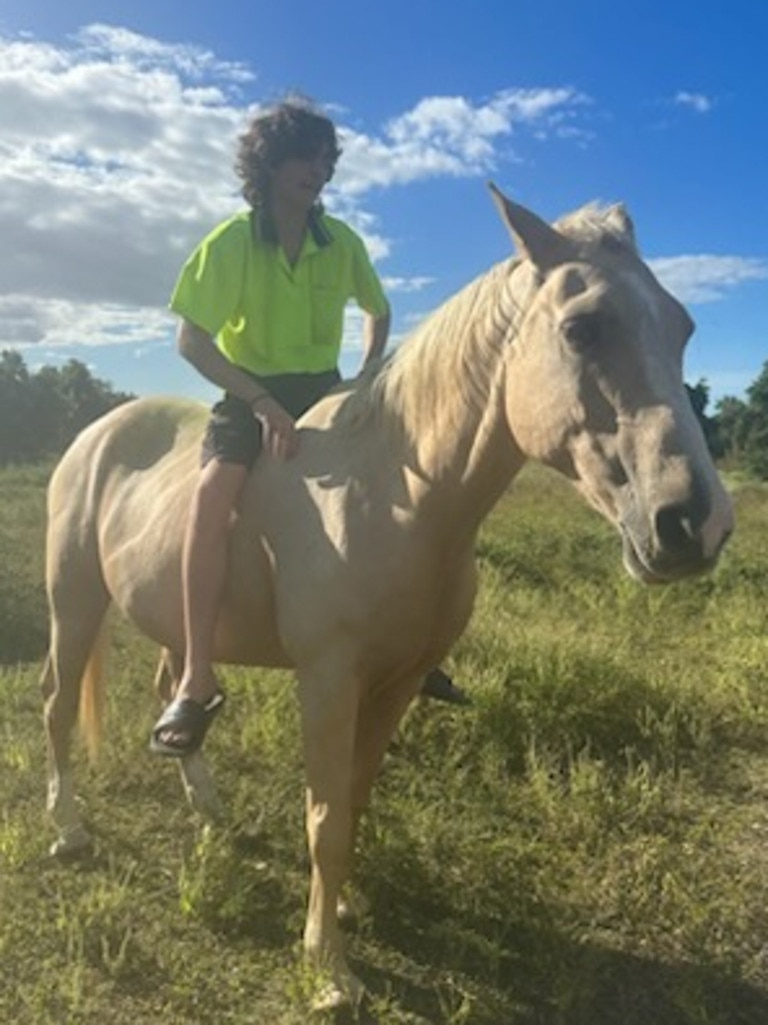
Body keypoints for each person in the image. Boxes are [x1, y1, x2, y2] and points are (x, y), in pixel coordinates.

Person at [150, 98, 466, 758]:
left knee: (414, 485)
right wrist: (261, 401)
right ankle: (195, 674)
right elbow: (191, 340)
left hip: (327, 390)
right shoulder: (231, 242)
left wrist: (363, 377)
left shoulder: (341, 241)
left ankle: (416, 647)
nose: (318, 170)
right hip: (250, 393)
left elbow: (378, 309)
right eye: (305, 156)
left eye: (325, 159)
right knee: (210, 505)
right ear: (267, 163)